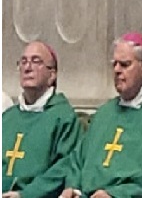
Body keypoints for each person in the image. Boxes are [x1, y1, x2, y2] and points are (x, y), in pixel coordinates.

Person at [60, 33, 142, 198]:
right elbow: (77, 160)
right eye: (114, 64)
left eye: (124, 64)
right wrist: (72, 187)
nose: (116, 70)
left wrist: (116, 194)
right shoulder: (103, 114)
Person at [2, 42, 82, 198]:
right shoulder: (7, 117)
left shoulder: (64, 117)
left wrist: (26, 194)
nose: (27, 67)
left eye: (36, 61)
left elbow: (65, 166)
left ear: (52, 75)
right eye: (23, 62)